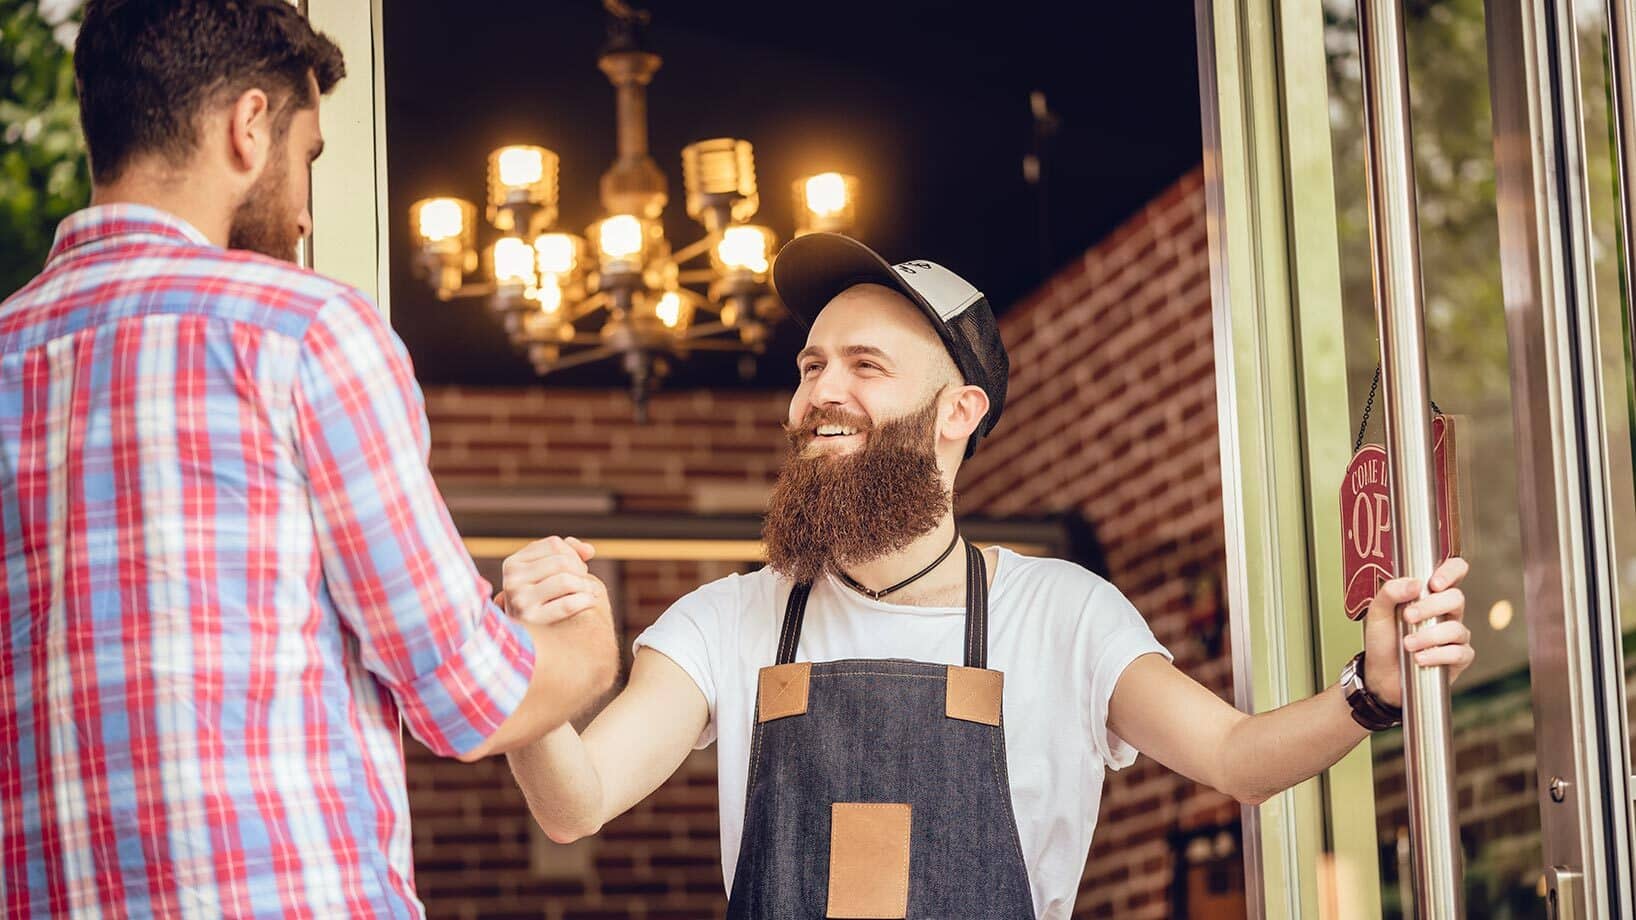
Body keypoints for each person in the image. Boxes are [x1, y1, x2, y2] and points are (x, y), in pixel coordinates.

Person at [498, 232, 1474, 919]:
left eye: (864, 366)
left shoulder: (1061, 612)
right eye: (808, 366)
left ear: (958, 411)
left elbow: (1234, 756)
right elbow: (574, 801)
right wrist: (534, 679)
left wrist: (1372, 691)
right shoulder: (727, 620)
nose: (818, 393)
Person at [0, 2, 616, 916]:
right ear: (250, 127)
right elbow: (468, 697)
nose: (301, 215)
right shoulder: (300, 330)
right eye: (309, 159)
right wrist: (587, 645)